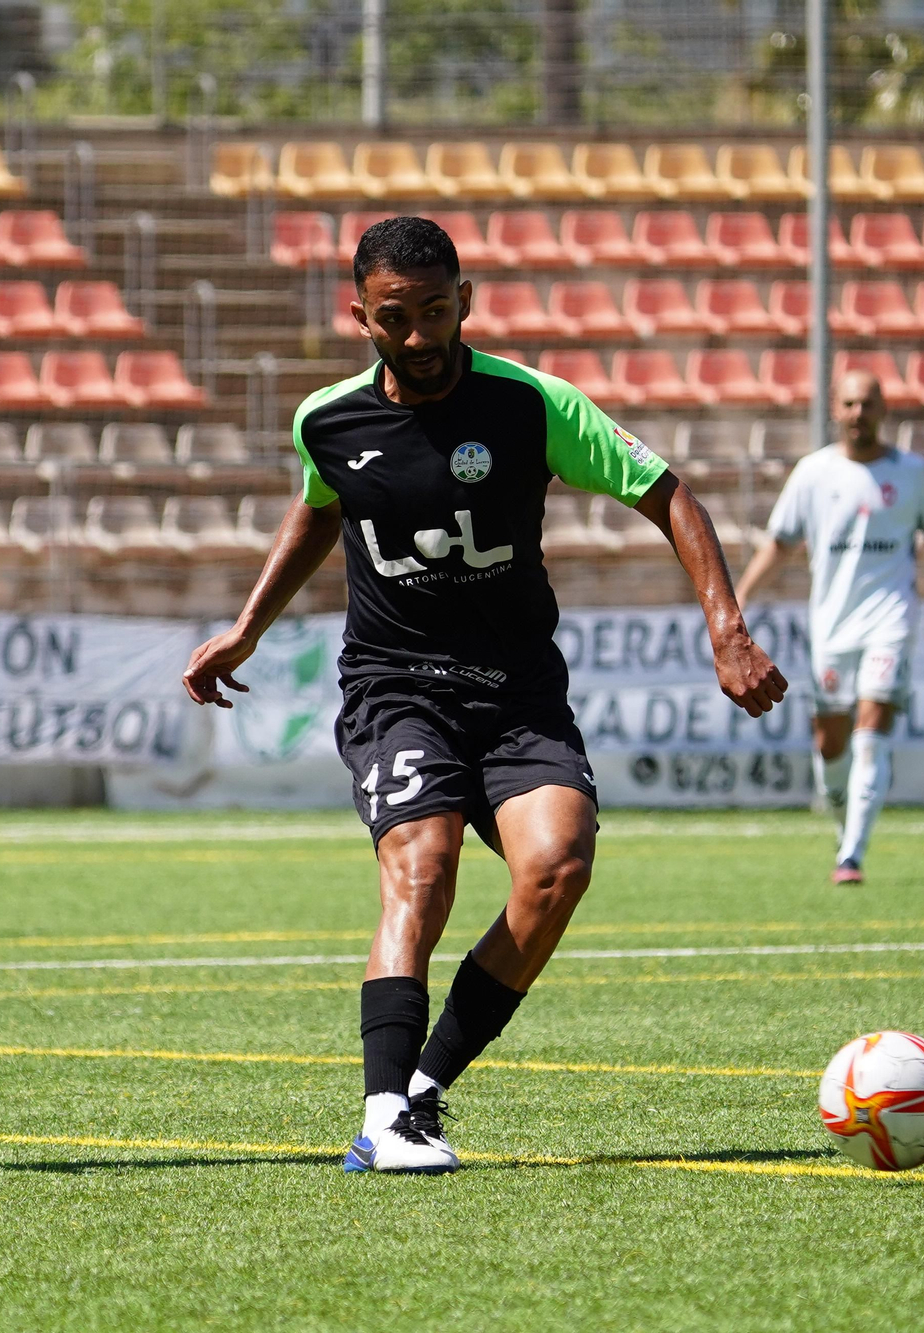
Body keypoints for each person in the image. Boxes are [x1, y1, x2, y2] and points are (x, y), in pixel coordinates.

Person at [182, 216, 786, 1174]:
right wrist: (247, 627)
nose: (421, 336)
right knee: (423, 862)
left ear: (467, 299)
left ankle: (424, 1088)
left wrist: (729, 629)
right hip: (395, 687)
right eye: (396, 318)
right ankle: (382, 1113)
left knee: (557, 868)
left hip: (516, 694)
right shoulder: (328, 421)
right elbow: (319, 506)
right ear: (360, 318)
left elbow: (668, 493)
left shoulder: (532, 406)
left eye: (436, 310)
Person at [735, 369, 924, 886]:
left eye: (869, 403)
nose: (860, 413)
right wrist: (741, 595)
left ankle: (852, 855)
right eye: (851, 404)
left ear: (884, 409)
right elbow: (781, 542)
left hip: (891, 620)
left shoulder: (912, 473)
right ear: (836, 410)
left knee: (870, 735)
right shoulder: (813, 473)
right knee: (829, 744)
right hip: (832, 625)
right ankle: (845, 830)